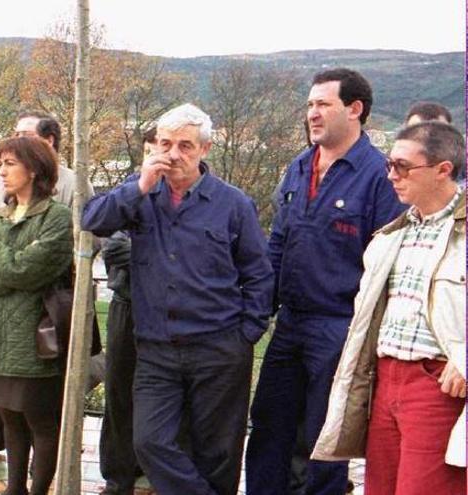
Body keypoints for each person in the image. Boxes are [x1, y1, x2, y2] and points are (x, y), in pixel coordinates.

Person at [83, 103, 274, 494]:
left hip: (218, 348)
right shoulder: (141, 195)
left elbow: (258, 273)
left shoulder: (233, 204)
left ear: (204, 149)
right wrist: (139, 184)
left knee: (217, 452)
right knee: (149, 441)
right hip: (156, 349)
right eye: (165, 144)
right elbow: (93, 219)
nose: (173, 154)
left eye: (185, 145)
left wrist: (246, 335)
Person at [245, 68, 406, 495]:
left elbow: (386, 263)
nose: (312, 114)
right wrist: (257, 312)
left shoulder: (379, 176)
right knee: (268, 425)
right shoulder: (300, 166)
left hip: (340, 327)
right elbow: (278, 244)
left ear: (355, 109)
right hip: (289, 323)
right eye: (310, 105)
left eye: (323, 104)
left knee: (324, 440)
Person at [313, 121, 467, 493]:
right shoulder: (391, 234)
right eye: (389, 164)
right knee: (379, 487)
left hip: (436, 387)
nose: (391, 175)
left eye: (403, 166)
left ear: (442, 170)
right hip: (383, 381)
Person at [0, 110, 95, 458]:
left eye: (25, 136)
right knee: (1, 394)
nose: (16, 143)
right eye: (14, 135)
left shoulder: (74, 186)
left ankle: (47, 460)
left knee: (39, 404)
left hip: (41, 311)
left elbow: (76, 245)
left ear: (48, 142)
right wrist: (4, 264)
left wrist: (17, 261)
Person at [0, 136, 74, 494]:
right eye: (0, 163)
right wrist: (10, 264)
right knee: (10, 421)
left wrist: (1, 261)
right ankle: (14, 489)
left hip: (33, 342)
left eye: (10, 163)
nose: (2, 171)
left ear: (33, 169)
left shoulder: (56, 218)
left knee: (41, 423)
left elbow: (27, 272)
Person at [97, 125, 156, 495]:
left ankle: (155, 467)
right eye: (149, 151)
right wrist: (160, 252)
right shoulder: (127, 194)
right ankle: (118, 475)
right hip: (127, 306)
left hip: (171, 313)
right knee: (119, 391)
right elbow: (113, 246)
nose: (156, 158)